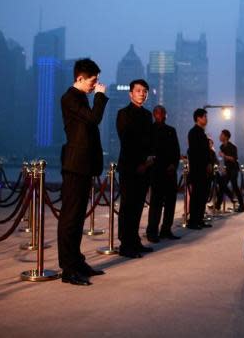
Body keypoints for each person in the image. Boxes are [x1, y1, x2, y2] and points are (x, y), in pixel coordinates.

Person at [58, 58, 108, 286]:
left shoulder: (80, 99)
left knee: (78, 218)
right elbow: (93, 120)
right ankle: (68, 269)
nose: (96, 84)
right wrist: (100, 95)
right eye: (93, 81)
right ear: (80, 78)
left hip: (84, 165)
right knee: (69, 218)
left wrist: (95, 95)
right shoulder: (69, 98)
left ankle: (77, 262)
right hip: (74, 165)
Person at [117, 79, 154, 258]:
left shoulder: (148, 115)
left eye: (144, 91)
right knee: (127, 207)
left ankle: (135, 241)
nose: (142, 93)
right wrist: (138, 163)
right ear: (130, 93)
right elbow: (127, 141)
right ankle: (125, 244)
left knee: (138, 206)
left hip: (145, 167)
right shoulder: (123, 113)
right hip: (129, 167)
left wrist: (148, 161)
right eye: (138, 90)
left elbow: (149, 141)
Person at [146, 105, 181, 243]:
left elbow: (176, 151)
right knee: (156, 204)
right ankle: (152, 232)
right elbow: (148, 150)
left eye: (163, 113)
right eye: (159, 113)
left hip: (170, 172)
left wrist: (174, 164)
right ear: (155, 114)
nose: (161, 115)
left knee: (171, 203)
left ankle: (166, 229)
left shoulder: (171, 130)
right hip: (156, 172)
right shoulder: (150, 130)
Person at [186, 108, 213, 230]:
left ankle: (199, 219)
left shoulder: (201, 132)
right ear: (198, 118)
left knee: (202, 196)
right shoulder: (194, 132)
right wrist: (205, 164)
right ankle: (193, 221)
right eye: (204, 117)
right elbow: (195, 152)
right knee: (197, 196)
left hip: (203, 170)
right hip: (198, 170)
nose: (206, 119)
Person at [218, 129, 244, 212]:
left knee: (235, 185)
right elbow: (222, 160)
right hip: (227, 169)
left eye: (221, 134)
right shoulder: (221, 147)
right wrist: (222, 168)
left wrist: (224, 156)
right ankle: (218, 205)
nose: (220, 136)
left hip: (234, 168)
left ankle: (241, 206)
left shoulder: (233, 147)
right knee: (222, 185)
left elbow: (234, 159)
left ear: (226, 137)